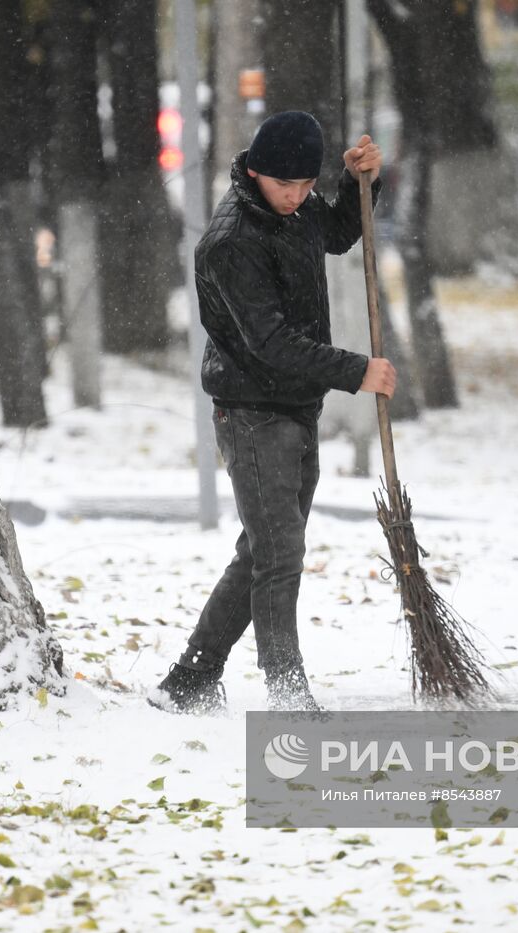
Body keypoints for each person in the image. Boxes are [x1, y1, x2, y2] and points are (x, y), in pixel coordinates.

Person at [149, 111, 396, 714]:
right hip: (251, 410)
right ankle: (287, 693)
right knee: (279, 554)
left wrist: (358, 183)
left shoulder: (298, 210)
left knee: (263, 552)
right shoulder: (232, 242)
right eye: (285, 185)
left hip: (294, 406)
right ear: (255, 172)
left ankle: (190, 680)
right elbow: (270, 341)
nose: (296, 197)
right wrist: (354, 370)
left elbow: (338, 232)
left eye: (305, 186)